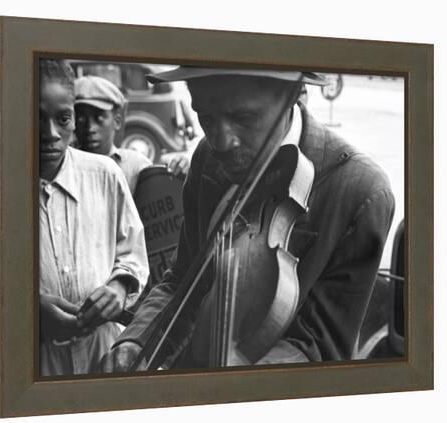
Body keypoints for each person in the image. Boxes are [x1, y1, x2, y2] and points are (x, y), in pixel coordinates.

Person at [101, 67, 395, 371]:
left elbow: (320, 349)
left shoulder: (360, 191)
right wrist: (135, 342)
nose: (221, 141)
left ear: (293, 95)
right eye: (206, 117)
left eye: (244, 119)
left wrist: (218, 381)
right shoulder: (206, 157)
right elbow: (182, 278)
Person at [38, 59, 148, 376]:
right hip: (36, 362)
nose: (50, 134)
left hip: (104, 354)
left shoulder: (105, 174)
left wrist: (118, 287)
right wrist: (31, 313)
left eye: (63, 119)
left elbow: (133, 254)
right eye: (37, 118)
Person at [74, 75, 190, 194]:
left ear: (117, 121)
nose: (90, 127)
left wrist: (181, 172)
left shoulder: (136, 166)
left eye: (99, 118)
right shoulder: (67, 167)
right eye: (81, 118)